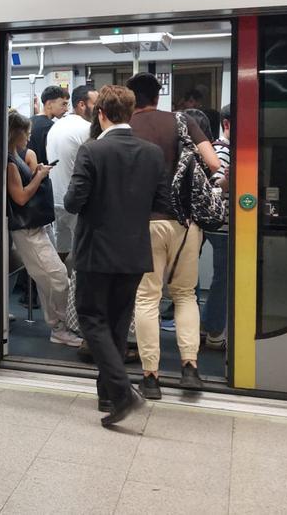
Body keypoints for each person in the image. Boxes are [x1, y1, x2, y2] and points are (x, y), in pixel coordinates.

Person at [63, 85, 168, 425]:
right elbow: (161, 203)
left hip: (96, 250)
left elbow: (73, 202)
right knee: (118, 322)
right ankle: (107, 395)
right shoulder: (152, 153)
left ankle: (122, 392)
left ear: (101, 114)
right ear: (131, 113)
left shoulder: (92, 151)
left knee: (91, 317)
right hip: (135, 250)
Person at [125, 73, 221, 399]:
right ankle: (190, 368)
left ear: (131, 98)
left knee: (147, 297)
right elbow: (212, 162)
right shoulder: (181, 122)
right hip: (184, 222)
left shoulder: (127, 130)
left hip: (142, 225)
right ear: (158, 95)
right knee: (185, 295)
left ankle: (150, 376)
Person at [6, 110, 82, 347]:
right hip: (27, 230)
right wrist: (38, 177)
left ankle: (57, 325)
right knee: (59, 278)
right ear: (15, 134)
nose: (28, 137)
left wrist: (36, 173)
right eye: (25, 133)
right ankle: (60, 326)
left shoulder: (15, 156)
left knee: (47, 279)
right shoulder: (10, 162)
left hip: (34, 228)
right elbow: (19, 197)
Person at [46, 84, 99, 264]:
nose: (99, 108)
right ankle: (79, 289)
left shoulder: (55, 126)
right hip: (76, 201)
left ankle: (61, 287)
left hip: (55, 199)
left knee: (61, 249)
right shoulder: (86, 129)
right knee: (85, 251)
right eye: (96, 103)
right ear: (82, 105)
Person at [202, 104, 232, 349]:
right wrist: (227, 181)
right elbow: (213, 187)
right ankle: (214, 332)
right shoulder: (222, 151)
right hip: (221, 225)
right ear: (226, 124)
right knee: (223, 278)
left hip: (221, 225)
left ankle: (207, 327)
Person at [27, 85, 69, 164]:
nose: (66, 109)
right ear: (49, 104)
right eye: (63, 104)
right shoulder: (52, 127)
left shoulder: (29, 122)